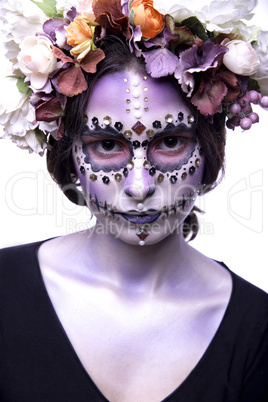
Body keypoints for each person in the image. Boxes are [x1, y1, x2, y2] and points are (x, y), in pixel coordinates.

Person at [0, 0, 267, 401]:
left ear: (209, 150)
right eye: (107, 144)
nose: (140, 187)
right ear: (68, 154)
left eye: (170, 142)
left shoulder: (258, 328)